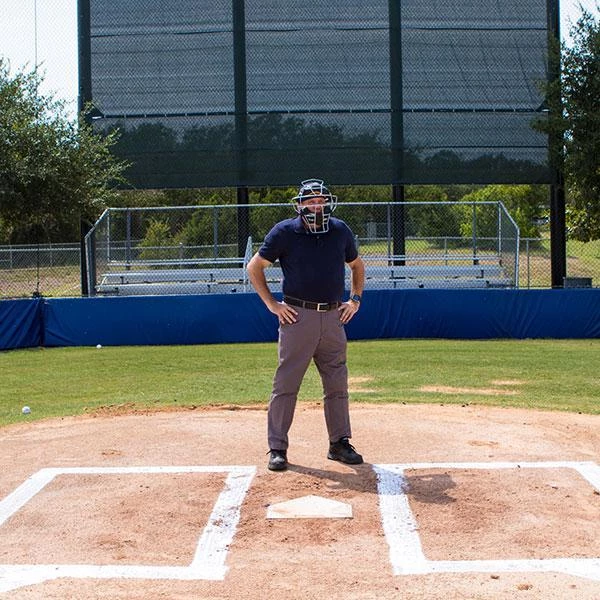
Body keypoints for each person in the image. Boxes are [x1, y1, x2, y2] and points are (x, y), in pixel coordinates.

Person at [246, 178, 365, 471]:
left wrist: (355, 300)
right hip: (298, 317)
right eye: (311, 202)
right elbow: (255, 267)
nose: (317, 206)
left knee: (337, 383)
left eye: (321, 201)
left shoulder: (340, 230)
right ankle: (277, 448)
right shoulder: (285, 232)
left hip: (334, 316)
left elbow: (357, 265)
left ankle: (339, 443)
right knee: (286, 384)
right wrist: (272, 305)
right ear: (299, 205)